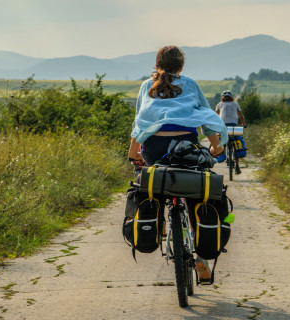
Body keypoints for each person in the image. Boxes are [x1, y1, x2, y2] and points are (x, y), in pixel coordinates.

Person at [128, 45, 228, 281]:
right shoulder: (190, 84)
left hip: (154, 147)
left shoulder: (147, 85)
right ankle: (202, 260)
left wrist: (134, 153)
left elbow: (140, 122)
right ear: (181, 66)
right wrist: (216, 147)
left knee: (158, 182)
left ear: (157, 63)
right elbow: (205, 116)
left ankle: (160, 222)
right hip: (185, 145)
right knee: (194, 192)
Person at [215, 90, 247, 174]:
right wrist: (244, 124)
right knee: (236, 144)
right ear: (231, 97)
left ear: (223, 97)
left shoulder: (219, 104)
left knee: (223, 141)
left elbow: (215, 115)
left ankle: (225, 154)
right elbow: (241, 115)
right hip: (233, 126)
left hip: (223, 126)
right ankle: (237, 165)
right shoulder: (235, 104)